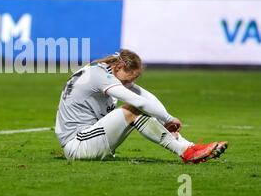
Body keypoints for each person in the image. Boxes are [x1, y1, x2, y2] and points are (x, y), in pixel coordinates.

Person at [55, 49, 228, 164]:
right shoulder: (99, 76)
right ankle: (187, 152)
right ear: (119, 67)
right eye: (129, 79)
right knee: (133, 110)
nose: (130, 83)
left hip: (87, 140)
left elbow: (145, 96)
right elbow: (140, 102)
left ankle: (191, 148)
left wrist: (164, 119)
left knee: (138, 108)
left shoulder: (106, 72)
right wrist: (168, 119)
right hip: (77, 146)